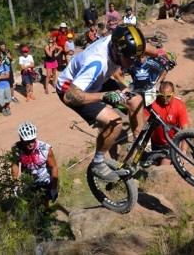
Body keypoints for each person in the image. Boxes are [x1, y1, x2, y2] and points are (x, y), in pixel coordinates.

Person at [56, 24, 166, 182]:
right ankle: (98, 163)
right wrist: (104, 96)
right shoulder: (97, 63)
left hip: (98, 81)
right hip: (73, 89)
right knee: (114, 122)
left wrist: (160, 53)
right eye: (130, 58)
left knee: (136, 101)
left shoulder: (118, 42)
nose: (134, 61)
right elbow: (69, 96)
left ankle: (138, 148)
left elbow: (140, 48)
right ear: (118, 52)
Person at [11, 122, 59, 209]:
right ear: (21, 139)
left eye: (33, 140)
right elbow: (15, 165)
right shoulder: (16, 149)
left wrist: (54, 188)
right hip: (29, 181)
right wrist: (16, 184)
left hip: (45, 180)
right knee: (31, 204)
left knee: (45, 202)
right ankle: (34, 219)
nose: (31, 144)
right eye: (27, 141)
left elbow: (54, 167)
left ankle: (46, 214)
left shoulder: (46, 149)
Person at [146, 81, 190, 166]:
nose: (165, 99)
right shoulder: (153, 104)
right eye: (162, 96)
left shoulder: (179, 105)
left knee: (164, 165)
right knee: (155, 164)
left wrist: (183, 151)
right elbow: (143, 122)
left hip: (171, 143)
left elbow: (186, 130)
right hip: (156, 142)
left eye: (168, 96)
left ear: (173, 93)